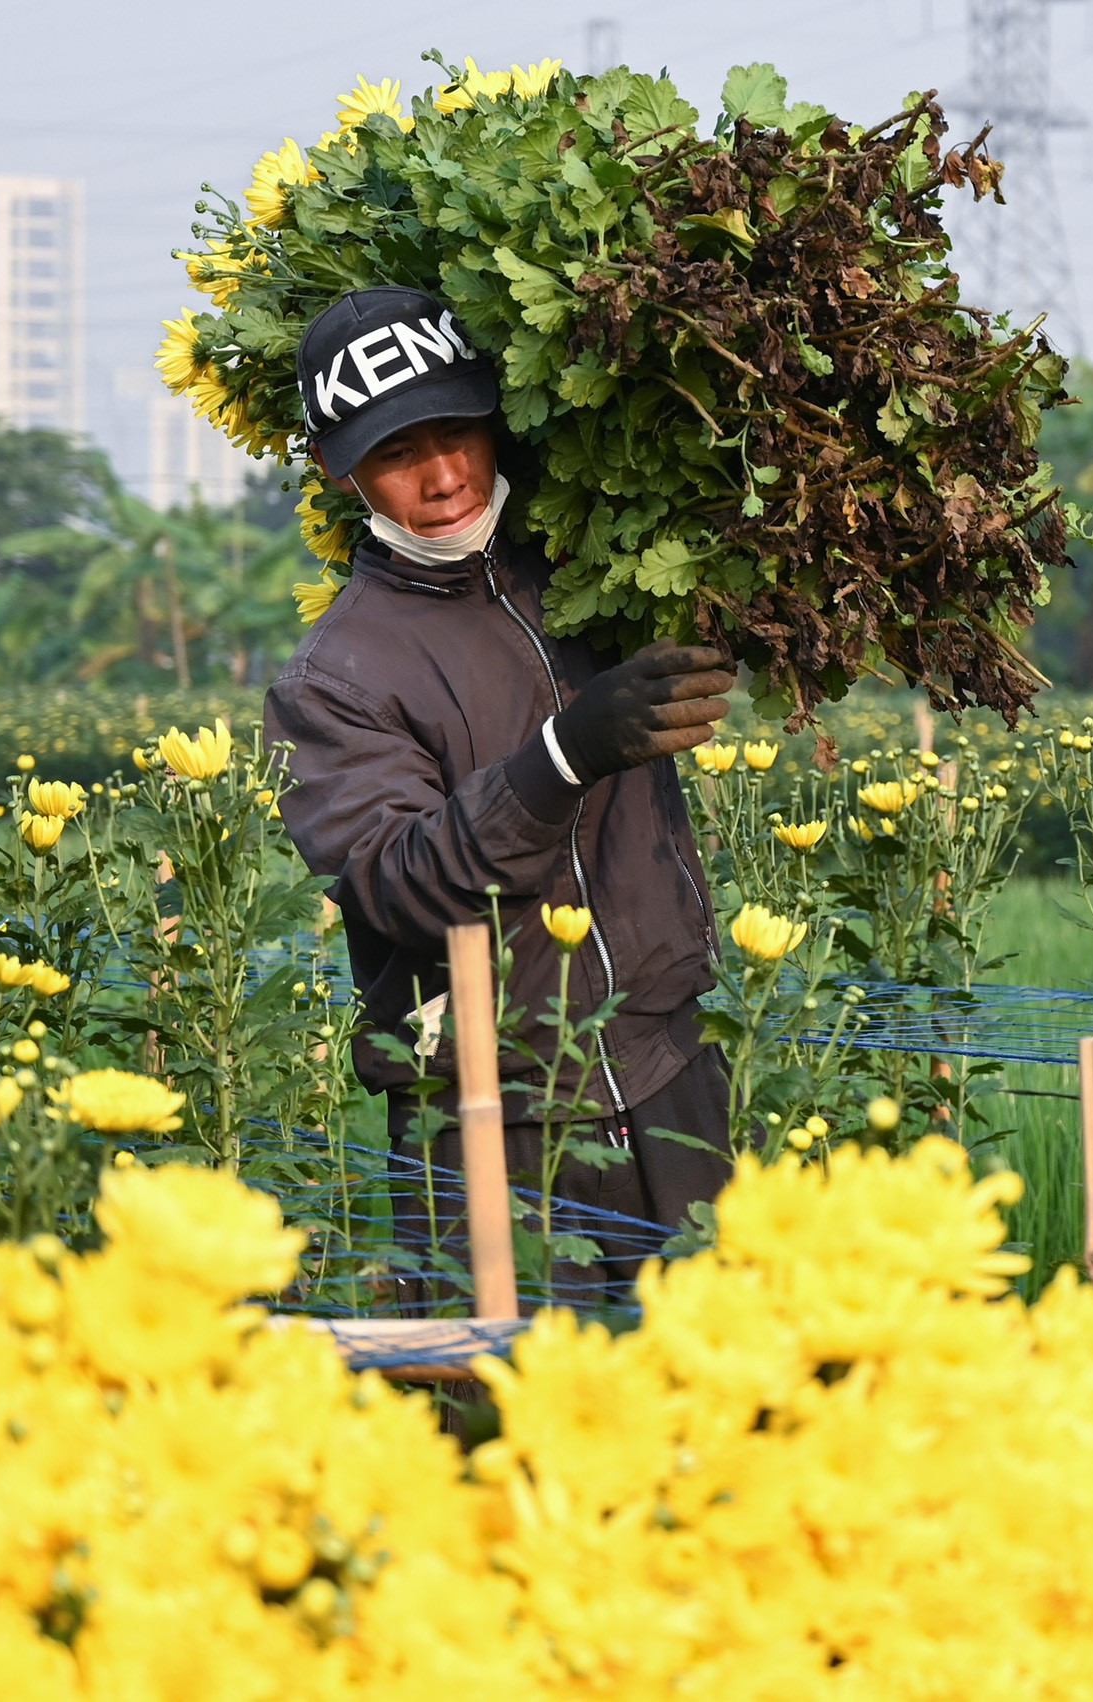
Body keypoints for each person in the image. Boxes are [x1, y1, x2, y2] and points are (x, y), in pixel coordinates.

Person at [262, 285, 738, 1306]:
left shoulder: (594, 568)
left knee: (720, 1410)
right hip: (487, 1121)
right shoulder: (336, 677)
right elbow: (396, 881)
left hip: (667, 1078)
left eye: (456, 431)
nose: (441, 477)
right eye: (397, 454)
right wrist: (559, 755)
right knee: (504, 1432)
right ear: (338, 474)